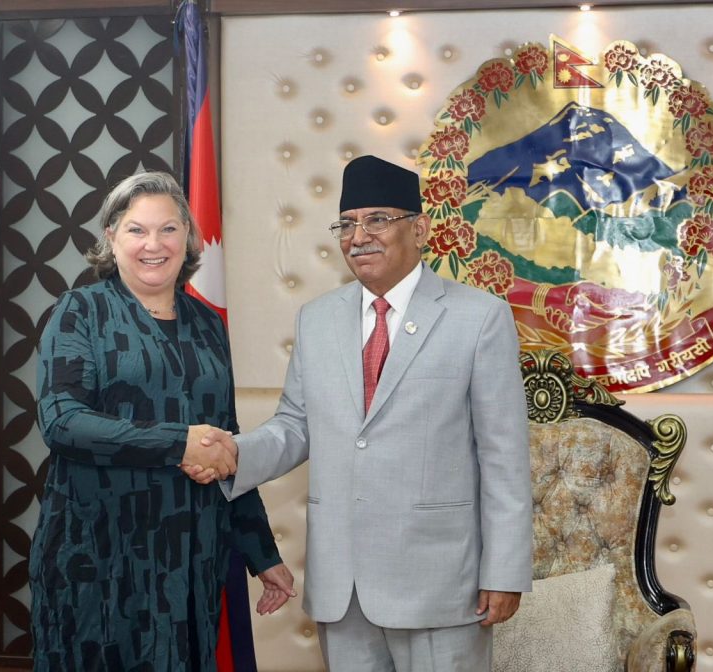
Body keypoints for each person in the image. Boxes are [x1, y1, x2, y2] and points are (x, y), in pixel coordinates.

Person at [192, 155, 532, 671]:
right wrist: (234, 453)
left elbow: (503, 456)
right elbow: (295, 425)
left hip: (439, 585)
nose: (358, 236)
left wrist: (505, 572)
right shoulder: (317, 320)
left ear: (419, 229)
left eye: (377, 219)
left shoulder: (478, 318)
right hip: (342, 588)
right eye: (347, 223)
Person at [29, 171, 295, 671]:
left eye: (168, 229)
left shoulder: (208, 324)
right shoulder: (80, 312)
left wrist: (263, 554)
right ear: (112, 238)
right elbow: (62, 421)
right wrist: (178, 444)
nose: (154, 244)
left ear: (189, 239)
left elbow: (223, 444)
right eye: (137, 230)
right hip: (99, 559)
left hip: (189, 562)